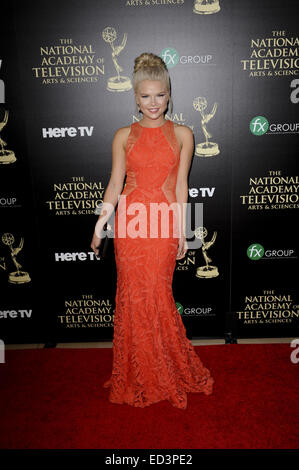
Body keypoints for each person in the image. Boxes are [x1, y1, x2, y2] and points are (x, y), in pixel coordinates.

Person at [90, 52, 214, 409]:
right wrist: (100, 226)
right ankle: (135, 372)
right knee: (133, 296)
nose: (153, 103)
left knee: (158, 295)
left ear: (169, 94)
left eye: (160, 95)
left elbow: (181, 188)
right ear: (135, 96)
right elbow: (115, 184)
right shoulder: (122, 136)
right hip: (130, 226)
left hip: (162, 226)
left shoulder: (184, 134)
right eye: (146, 96)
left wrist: (184, 232)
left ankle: (165, 370)